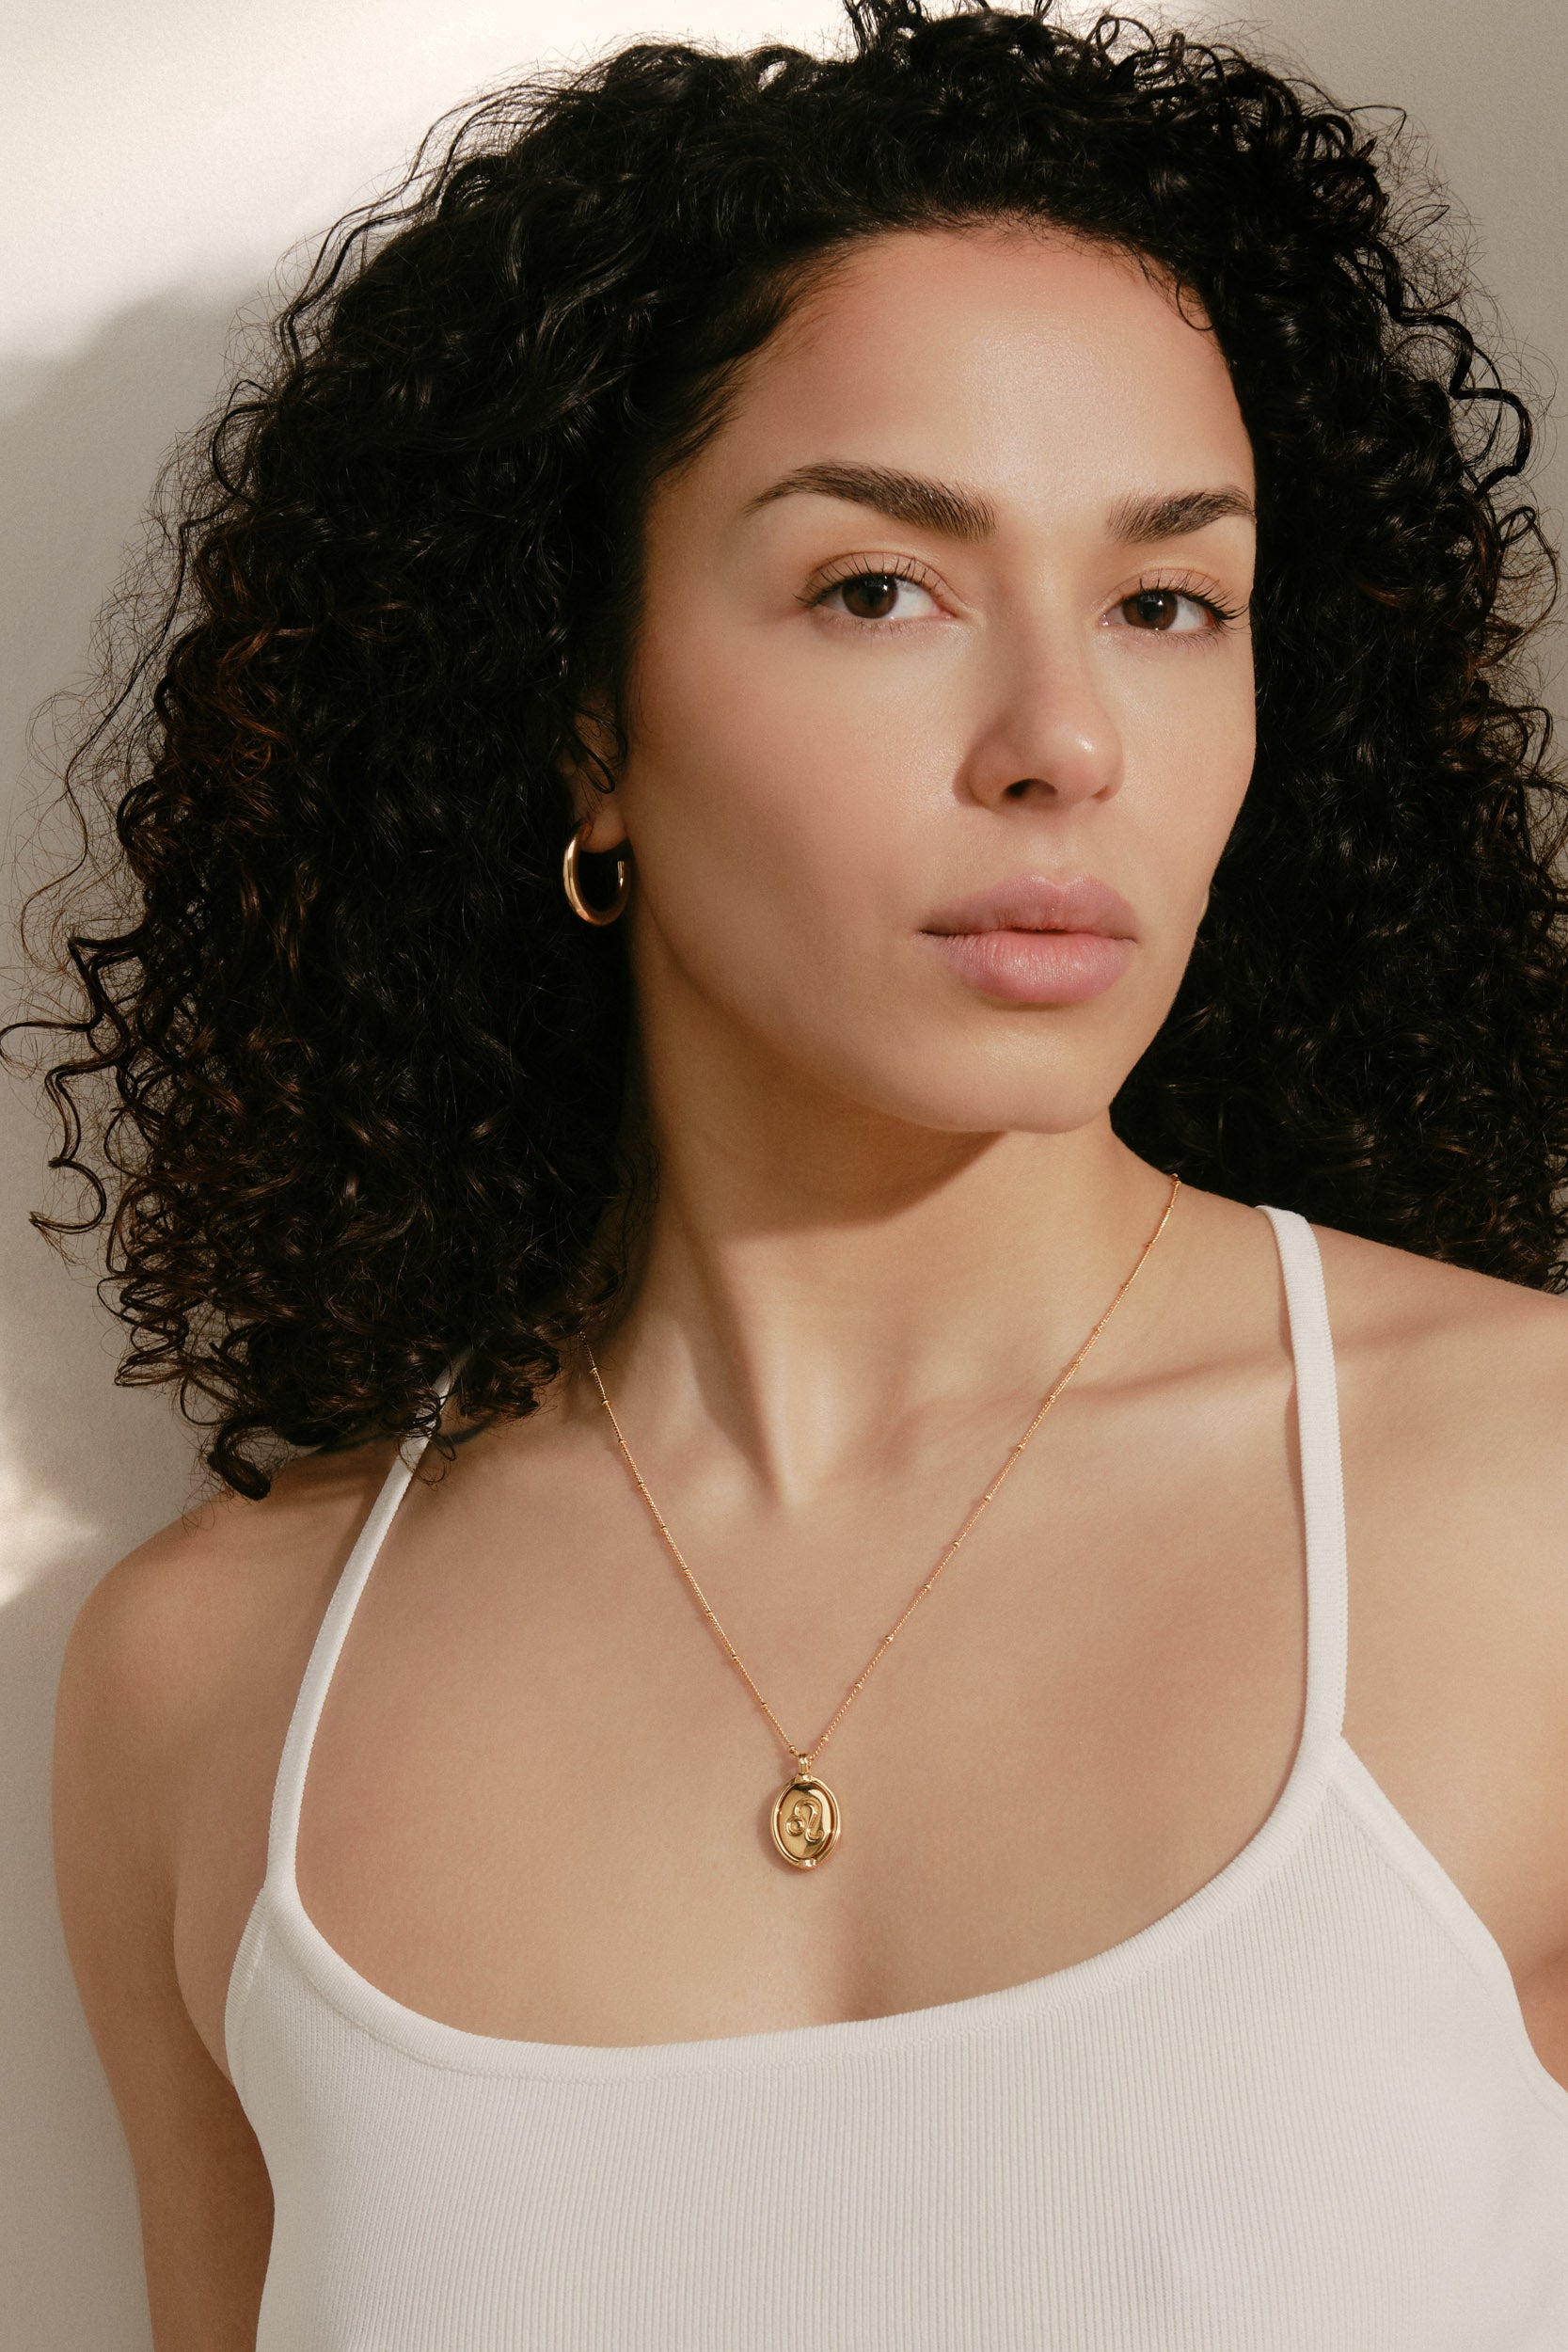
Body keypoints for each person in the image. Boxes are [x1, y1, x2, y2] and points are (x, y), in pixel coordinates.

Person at [24, 0, 1568, 2344]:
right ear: (581, 714)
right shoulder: (212, 1681)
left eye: (1170, 600)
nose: (1065, 741)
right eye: (883, 586)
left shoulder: (1533, 1508)